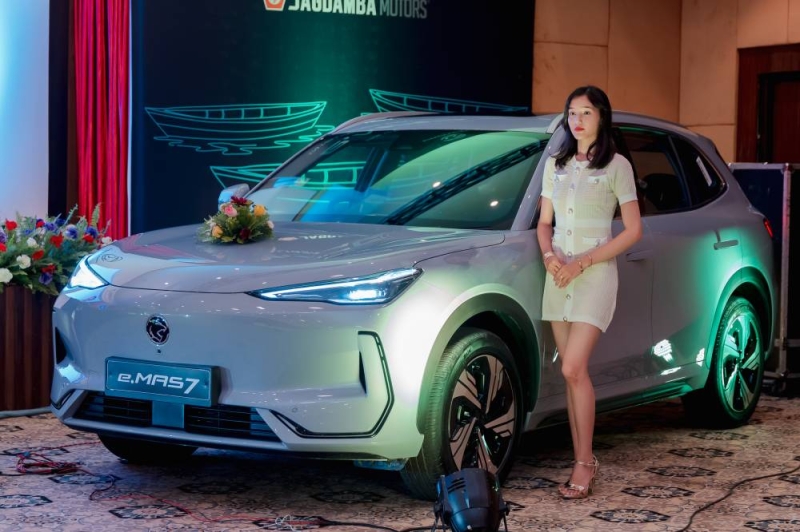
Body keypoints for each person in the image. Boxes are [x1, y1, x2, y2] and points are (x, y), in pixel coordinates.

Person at [536, 86, 642, 499]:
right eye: (572, 113)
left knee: (573, 367)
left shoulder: (617, 166)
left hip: (593, 274)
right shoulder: (555, 164)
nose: (577, 120)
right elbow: (545, 223)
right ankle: (582, 457)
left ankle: (584, 462)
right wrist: (549, 257)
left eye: (586, 112)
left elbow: (633, 230)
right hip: (558, 274)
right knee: (571, 374)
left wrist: (582, 262)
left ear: (601, 117)